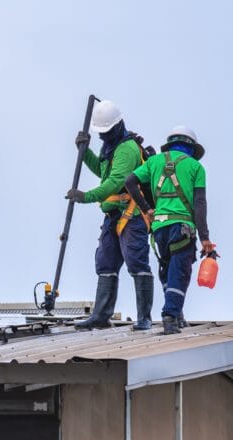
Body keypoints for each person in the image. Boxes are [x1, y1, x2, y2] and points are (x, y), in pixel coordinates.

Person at [65, 100, 155, 330]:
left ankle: (144, 318)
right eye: (100, 132)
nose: (102, 136)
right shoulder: (111, 147)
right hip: (113, 215)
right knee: (106, 262)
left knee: (136, 261)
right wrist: (84, 152)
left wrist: (86, 196)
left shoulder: (127, 149)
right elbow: (103, 172)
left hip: (132, 215)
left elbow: (115, 182)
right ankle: (101, 316)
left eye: (105, 131)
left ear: (116, 126)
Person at [125, 126, 215, 335]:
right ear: (191, 147)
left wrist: (146, 208)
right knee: (179, 273)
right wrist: (205, 237)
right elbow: (200, 203)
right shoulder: (196, 167)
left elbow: (130, 182)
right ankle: (170, 317)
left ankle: (177, 314)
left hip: (159, 229)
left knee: (167, 270)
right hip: (182, 227)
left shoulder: (154, 162)